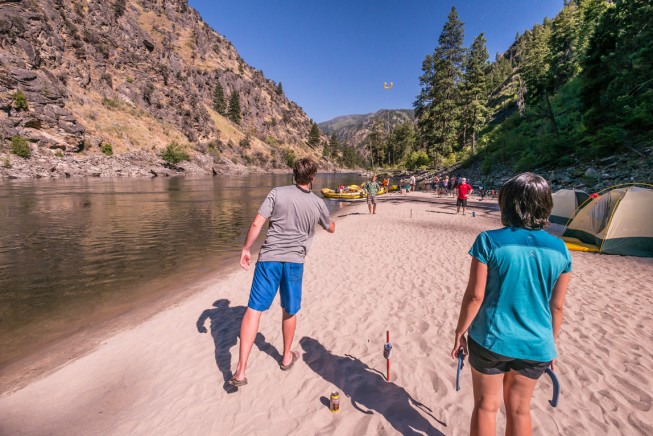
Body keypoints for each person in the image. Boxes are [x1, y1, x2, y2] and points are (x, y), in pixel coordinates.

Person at [451, 172, 572, 436]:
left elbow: (475, 296)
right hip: (537, 343)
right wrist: (550, 344)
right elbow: (557, 306)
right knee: (520, 410)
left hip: (491, 339)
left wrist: (460, 332)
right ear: (545, 204)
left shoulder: (489, 241)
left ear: (508, 204)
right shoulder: (560, 249)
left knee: (486, 406)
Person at [230, 158, 336, 387]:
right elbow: (330, 228)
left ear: (294, 174)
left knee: (253, 310)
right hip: (294, 262)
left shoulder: (277, 193)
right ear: (313, 178)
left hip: (268, 260)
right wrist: (325, 219)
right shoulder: (317, 203)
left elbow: (257, 224)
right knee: (289, 310)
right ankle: (286, 357)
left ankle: (240, 371)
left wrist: (246, 249)